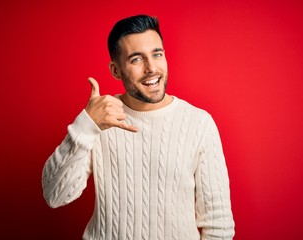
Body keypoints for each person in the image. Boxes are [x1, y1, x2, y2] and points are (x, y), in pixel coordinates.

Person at [42, 14, 235, 240]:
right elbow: (55, 196)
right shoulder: (98, 120)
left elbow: (219, 223)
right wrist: (86, 125)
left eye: (157, 54)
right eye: (136, 59)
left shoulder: (199, 123)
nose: (151, 68)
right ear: (116, 70)